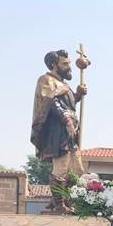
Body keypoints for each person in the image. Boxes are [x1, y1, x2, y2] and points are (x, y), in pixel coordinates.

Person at [31, 49, 87, 213]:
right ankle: (59, 204)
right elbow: (50, 102)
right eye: (65, 64)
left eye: (69, 64)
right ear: (54, 65)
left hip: (70, 132)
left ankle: (65, 200)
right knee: (61, 167)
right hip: (58, 132)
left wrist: (77, 94)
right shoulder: (46, 80)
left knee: (77, 169)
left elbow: (67, 104)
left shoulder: (64, 84)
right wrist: (66, 119)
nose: (69, 67)